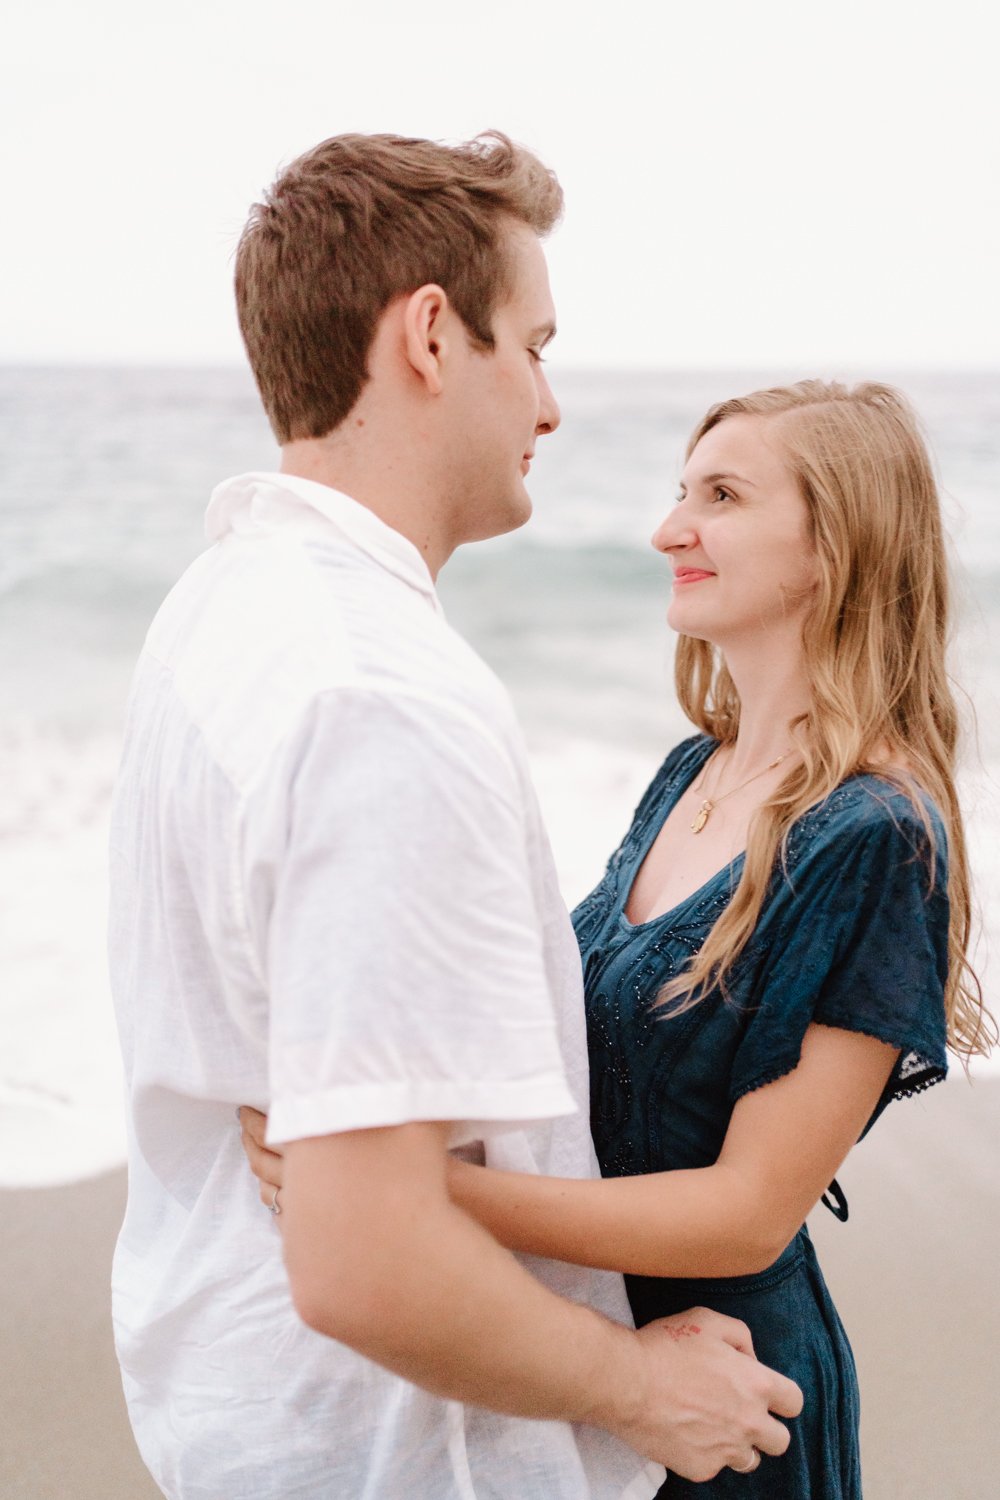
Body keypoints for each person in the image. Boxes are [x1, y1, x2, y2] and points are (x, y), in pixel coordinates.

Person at [107, 131, 802, 1500]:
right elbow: (366, 1262)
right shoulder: (381, 695)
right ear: (431, 335)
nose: (548, 405)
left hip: (242, 1425)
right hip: (397, 1458)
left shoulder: (219, 610)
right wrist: (639, 1388)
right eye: (532, 346)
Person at [241, 378, 995, 1498]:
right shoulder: (693, 769)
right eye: (680, 491)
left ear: (835, 546)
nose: (667, 530)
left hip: (731, 1396)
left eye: (723, 496)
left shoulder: (876, 837)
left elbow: (746, 1213)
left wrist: (422, 1198)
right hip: (594, 1367)